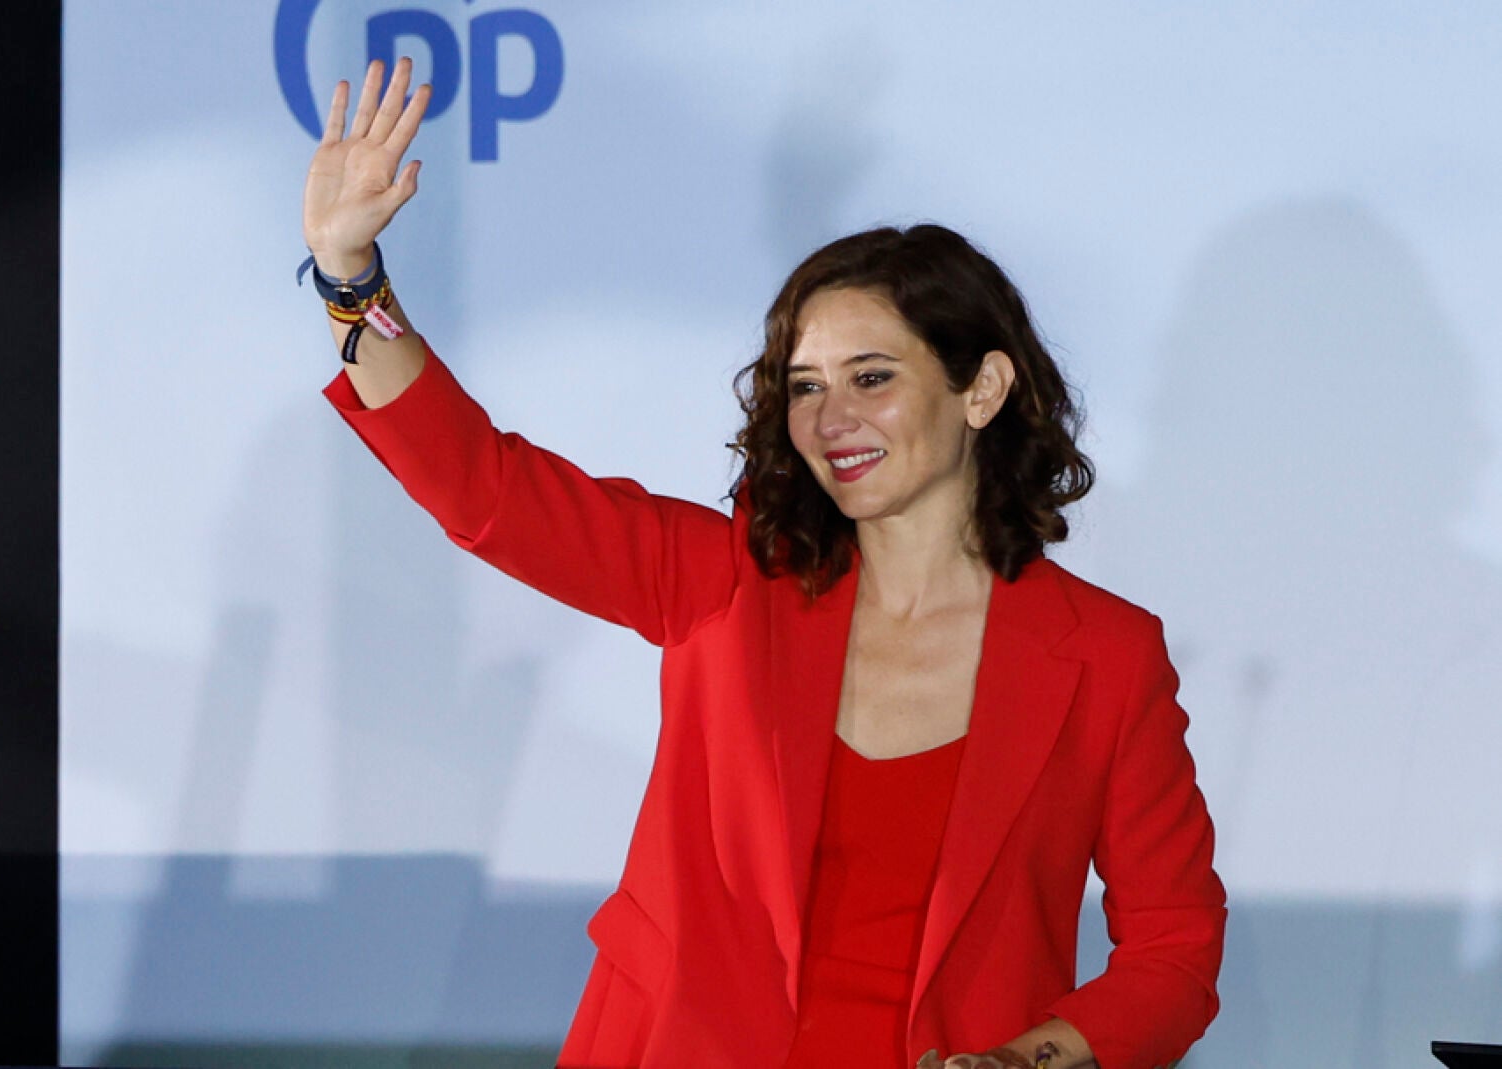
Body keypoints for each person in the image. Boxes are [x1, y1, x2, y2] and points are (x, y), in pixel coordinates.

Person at [301, 58, 1225, 1069]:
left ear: (982, 388)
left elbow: (1174, 951)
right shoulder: (726, 581)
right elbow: (485, 486)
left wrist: (1025, 1060)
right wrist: (352, 279)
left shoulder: (1108, 658)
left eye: (871, 377)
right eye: (805, 386)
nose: (831, 420)